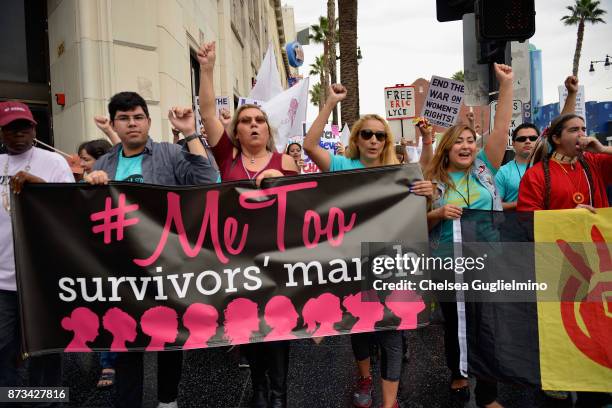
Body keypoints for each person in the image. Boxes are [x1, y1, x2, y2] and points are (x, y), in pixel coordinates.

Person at [304, 84, 433, 408]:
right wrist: (331, 102)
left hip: (389, 262)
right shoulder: (341, 167)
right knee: (359, 328)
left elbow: (425, 177)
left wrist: (428, 183)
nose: (373, 140)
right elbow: (309, 146)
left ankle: (389, 402)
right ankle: (364, 378)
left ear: (386, 141)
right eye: (367, 134)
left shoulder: (398, 174)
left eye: (379, 135)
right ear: (357, 139)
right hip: (351, 262)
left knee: (391, 331)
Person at [86, 91, 218, 408]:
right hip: (121, 270)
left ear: (147, 120)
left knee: (170, 336)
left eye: (138, 117)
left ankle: (167, 400)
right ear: (115, 125)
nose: (132, 123)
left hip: (165, 265)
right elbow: (86, 216)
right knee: (126, 340)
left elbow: (208, 178)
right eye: (124, 118)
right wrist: (90, 184)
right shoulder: (104, 162)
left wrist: (189, 131)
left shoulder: (168, 155)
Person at [197, 41, 297, 408]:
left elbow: (306, 207)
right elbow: (208, 112)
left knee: (279, 330)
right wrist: (206, 69)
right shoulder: (227, 159)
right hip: (239, 262)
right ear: (235, 132)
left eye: (259, 121)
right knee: (249, 328)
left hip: (279, 262)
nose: (252, 126)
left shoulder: (287, 162)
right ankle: (258, 391)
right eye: (245, 121)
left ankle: (279, 394)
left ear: (268, 131)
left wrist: (281, 177)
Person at [425, 63, 514, 408]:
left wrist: (506, 85)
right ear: (447, 149)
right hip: (448, 264)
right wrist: (436, 212)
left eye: (470, 142)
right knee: (455, 323)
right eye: (458, 142)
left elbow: (502, 126)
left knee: (487, 325)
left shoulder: (486, 168)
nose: (466, 145)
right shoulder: (432, 184)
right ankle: (458, 371)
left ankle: (489, 394)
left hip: (487, 261)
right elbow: (416, 228)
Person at [0, 101, 74, 399]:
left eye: (25, 126)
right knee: (3, 348)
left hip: (42, 277)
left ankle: (47, 401)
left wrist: (40, 187)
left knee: (45, 348)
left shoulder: (54, 163)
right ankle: (13, 399)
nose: (19, 133)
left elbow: (70, 210)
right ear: (1, 132)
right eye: (11, 127)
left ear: (35, 128)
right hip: (2, 279)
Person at [495, 123, 539, 210]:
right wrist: (521, 203)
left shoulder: (548, 167)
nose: (528, 141)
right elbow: (495, 206)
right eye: (522, 139)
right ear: (513, 143)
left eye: (533, 138)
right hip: (515, 222)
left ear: (539, 141)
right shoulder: (503, 172)